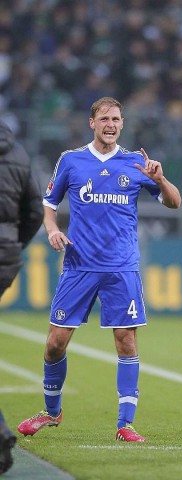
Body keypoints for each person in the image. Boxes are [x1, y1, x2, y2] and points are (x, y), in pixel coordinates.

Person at [18, 96, 181, 442]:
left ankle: (126, 424)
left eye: (117, 119)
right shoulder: (72, 161)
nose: (111, 124)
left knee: (126, 342)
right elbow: (49, 205)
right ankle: (51, 412)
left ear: (122, 124)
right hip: (79, 266)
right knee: (55, 344)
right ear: (91, 123)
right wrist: (52, 229)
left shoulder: (137, 163)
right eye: (105, 118)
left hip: (121, 268)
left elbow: (174, 202)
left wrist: (162, 180)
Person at [0, 121, 43, 474]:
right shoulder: (18, 152)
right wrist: (14, 245)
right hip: (6, 255)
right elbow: (35, 211)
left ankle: (0, 435)